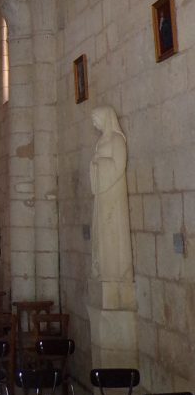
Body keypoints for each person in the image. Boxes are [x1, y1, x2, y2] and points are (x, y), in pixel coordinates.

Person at [89, 106, 133, 283]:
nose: (94, 124)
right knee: (100, 230)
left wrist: (100, 164)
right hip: (101, 193)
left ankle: (115, 271)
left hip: (112, 192)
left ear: (106, 118)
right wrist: (94, 165)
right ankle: (103, 269)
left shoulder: (117, 139)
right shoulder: (100, 142)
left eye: (96, 119)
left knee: (113, 229)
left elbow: (119, 166)